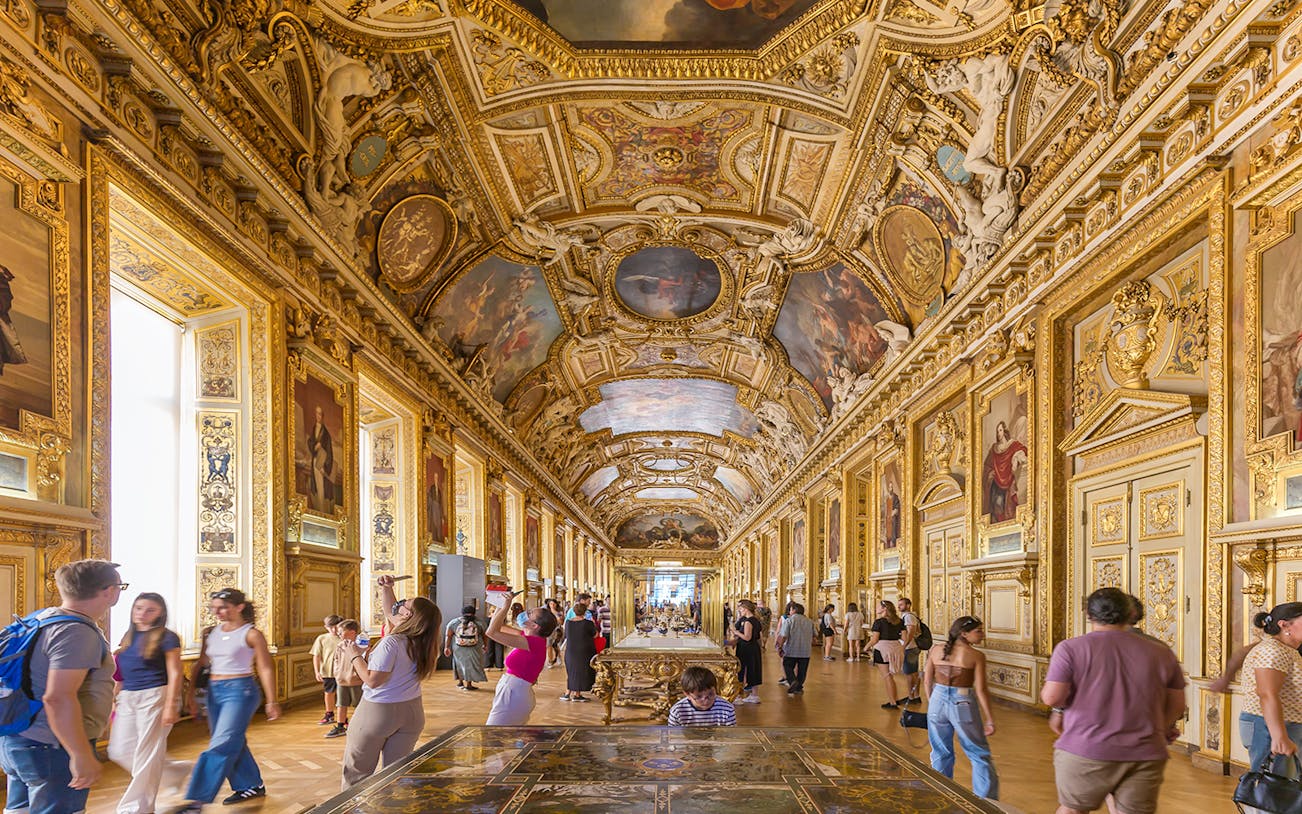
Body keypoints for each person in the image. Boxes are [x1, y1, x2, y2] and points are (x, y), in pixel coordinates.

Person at [1041, 587, 1185, 814]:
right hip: (1144, 751)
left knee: (1072, 810)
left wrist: (1060, 710)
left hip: (1086, 748)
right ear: (1130, 614)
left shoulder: (1070, 648)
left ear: (1088, 614)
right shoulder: (1160, 651)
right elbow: (1177, 705)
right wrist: (1159, 730)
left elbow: (1052, 697)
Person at [0, 560, 120, 814]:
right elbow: (58, 698)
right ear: (109, 591)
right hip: (51, 745)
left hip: (18, 736)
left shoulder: (40, 619)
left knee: (18, 810)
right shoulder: (76, 632)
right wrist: (80, 754)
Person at [175, 588, 280, 813]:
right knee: (232, 740)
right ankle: (250, 785)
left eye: (223, 607)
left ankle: (196, 801)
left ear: (239, 607)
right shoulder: (210, 632)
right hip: (214, 691)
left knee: (222, 742)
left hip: (240, 691)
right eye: (214, 608)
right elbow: (201, 663)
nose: (218, 612)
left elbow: (265, 667)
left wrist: (272, 700)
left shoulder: (251, 634)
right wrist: (191, 693)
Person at [342, 597, 442, 786]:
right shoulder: (426, 642)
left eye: (405, 604)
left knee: (357, 775)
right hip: (412, 712)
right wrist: (386, 589)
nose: (400, 605)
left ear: (407, 615)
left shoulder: (392, 642)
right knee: (395, 776)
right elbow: (391, 612)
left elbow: (373, 680)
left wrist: (354, 654)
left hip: (378, 712)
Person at [109, 591, 183, 814]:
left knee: (147, 753)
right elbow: (120, 675)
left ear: (160, 613)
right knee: (119, 750)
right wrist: (115, 700)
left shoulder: (167, 637)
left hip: (156, 695)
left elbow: (176, 672)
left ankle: (137, 808)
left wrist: (171, 704)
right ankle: (174, 773)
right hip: (128, 697)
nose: (142, 613)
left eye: (150, 610)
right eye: (138, 608)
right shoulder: (127, 637)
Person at [924, 616, 998, 800]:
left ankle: (940, 794)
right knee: (978, 752)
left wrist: (932, 701)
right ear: (964, 633)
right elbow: (981, 690)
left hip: (937, 699)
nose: (982, 634)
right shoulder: (976, 655)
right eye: (978, 631)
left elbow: (927, 680)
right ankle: (985, 800)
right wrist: (989, 718)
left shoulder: (936, 650)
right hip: (962, 701)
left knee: (940, 750)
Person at [1238, 602, 1302, 784]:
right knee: (1271, 789)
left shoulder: (1288, 650)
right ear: (1284, 625)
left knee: (1283, 789)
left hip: (1283, 725)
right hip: (1268, 726)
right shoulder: (1272, 650)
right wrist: (1279, 736)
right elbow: (1267, 693)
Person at [485, 593, 558, 725]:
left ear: (535, 626)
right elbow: (497, 626)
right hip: (513, 691)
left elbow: (491, 632)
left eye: (530, 613)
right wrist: (499, 605)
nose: (526, 613)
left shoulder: (533, 642)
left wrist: (506, 606)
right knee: (502, 736)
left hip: (514, 694)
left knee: (493, 735)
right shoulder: (527, 637)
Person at [328, 620, 364, 739]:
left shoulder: (361, 646)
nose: (338, 634)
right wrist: (337, 674)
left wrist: (358, 675)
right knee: (341, 704)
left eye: (341, 631)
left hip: (356, 681)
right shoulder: (340, 645)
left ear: (352, 632)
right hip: (341, 680)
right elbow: (336, 660)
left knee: (358, 705)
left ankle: (360, 725)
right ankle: (340, 726)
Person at [667, 667, 736, 726]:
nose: (706, 700)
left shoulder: (727, 709)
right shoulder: (678, 711)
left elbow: (730, 736)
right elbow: (672, 736)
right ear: (687, 694)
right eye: (699, 696)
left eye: (711, 694)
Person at [868, 599, 906, 708]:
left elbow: (875, 640)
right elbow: (904, 637)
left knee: (887, 676)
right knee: (890, 676)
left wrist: (866, 647)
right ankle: (895, 699)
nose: (876, 608)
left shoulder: (879, 622)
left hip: (882, 650)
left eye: (878, 606)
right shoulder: (899, 621)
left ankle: (893, 702)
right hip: (895, 648)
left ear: (884, 608)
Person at [444, 605, 488, 692]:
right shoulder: (479, 622)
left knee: (459, 664)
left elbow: (448, 635)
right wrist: (485, 645)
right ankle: (468, 685)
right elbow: (484, 635)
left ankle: (460, 682)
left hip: (458, 647)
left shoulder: (454, 622)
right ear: (474, 613)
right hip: (474, 647)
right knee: (470, 665)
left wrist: (446, 647)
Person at [561, 600, 597, 702]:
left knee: (571, 671)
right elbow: (595, 635)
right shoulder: (588, 623)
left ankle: (570, 693)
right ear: (585, 611)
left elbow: (566, 635)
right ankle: (576, 694)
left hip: (571, 651)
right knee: (581, 672)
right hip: (585, 651)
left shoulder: (568, 623)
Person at [310, 614, 343, 725]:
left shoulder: (344, 638)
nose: (334, 630)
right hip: (328, 672)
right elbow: (316, 655)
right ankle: (329, 713)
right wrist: (317, 671)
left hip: (342, 672)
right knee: (329, 693)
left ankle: (342, 717)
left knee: (343, 695)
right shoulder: (322, 639)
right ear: (326, 627)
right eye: (331, 627)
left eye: (336, 627)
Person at [775, 602, 814, 695]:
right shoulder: (809, 621)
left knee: (787, 666)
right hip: (805, 651)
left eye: (791, 609)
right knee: (802, 670)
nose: (790, 611)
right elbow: (815, 637)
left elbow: (783, 636)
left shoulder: (789, 621)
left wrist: (780, 647)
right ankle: (799, 687)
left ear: (794, 610)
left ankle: (792, 681)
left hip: (791, 649)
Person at [730, 599, 762, 705]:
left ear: (746, 609)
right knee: (753, 670)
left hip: (746, 647)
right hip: (754, 648)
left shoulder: (748, 621)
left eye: (741, 609)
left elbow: (747, 637)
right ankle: (754, 695)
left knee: (741, 670)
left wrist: (736, 633)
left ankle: (738, 696)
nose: (740, 611)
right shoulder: (756, 620)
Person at [899, 597, 923, 704]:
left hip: (910, 648)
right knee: (914, 674)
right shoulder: (910, 616)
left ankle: (911, 697)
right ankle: (916, 696)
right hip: (912, 647)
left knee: (909, 674)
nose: (899, 606)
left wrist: (904, 646)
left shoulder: (908, 617)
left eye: (901, 604)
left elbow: (911, 633)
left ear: (908, 605)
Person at [544, 598, 565, 668]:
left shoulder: (560, 612)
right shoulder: (546, 612)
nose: (552, 605)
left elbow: (561, 622)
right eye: (550, 604)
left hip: (557, 631)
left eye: (553, 604)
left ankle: (558, 656)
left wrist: (556, 614)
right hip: (548, 631)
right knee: (549, 646)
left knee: (555, 645)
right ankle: (550, 661)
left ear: (556, 604)